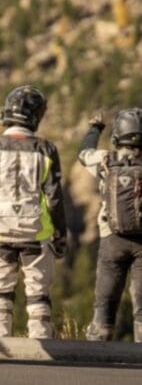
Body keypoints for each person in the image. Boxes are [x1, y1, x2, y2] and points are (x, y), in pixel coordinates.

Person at [0, 85, 67, 338]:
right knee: (38, 295)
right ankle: (40, 345)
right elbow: (55, 198)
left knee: (0, 295)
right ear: (36, 116)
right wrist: (61, 233)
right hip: (36, 231)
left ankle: (0, 352)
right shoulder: (46, 149)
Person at [78, 108, 142, 343]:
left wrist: (95, 128)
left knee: (105, 300)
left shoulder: (106, 159)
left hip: (111, 239)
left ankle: (98, 352)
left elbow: (83, 153)